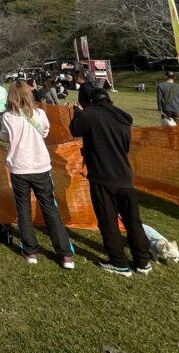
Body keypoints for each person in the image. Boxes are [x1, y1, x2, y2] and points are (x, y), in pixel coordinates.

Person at [69, 88, 152, 276]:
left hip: (102, 176)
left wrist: (78, 114)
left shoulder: (90, 115)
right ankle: (142, 261)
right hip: (124, 175)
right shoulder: (122, 118)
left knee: (108, 220)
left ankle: (119, 261)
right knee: (133, 221)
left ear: (91, 102)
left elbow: (75, 129)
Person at [0, 81, 74, 269]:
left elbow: (4, 136)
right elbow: (44, 131)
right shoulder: (40, 114)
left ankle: (30, 250)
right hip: (39, 166)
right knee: (49, 207)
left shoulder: (8, 117)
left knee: (23, 209)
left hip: (20, 168)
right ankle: (65, 255)